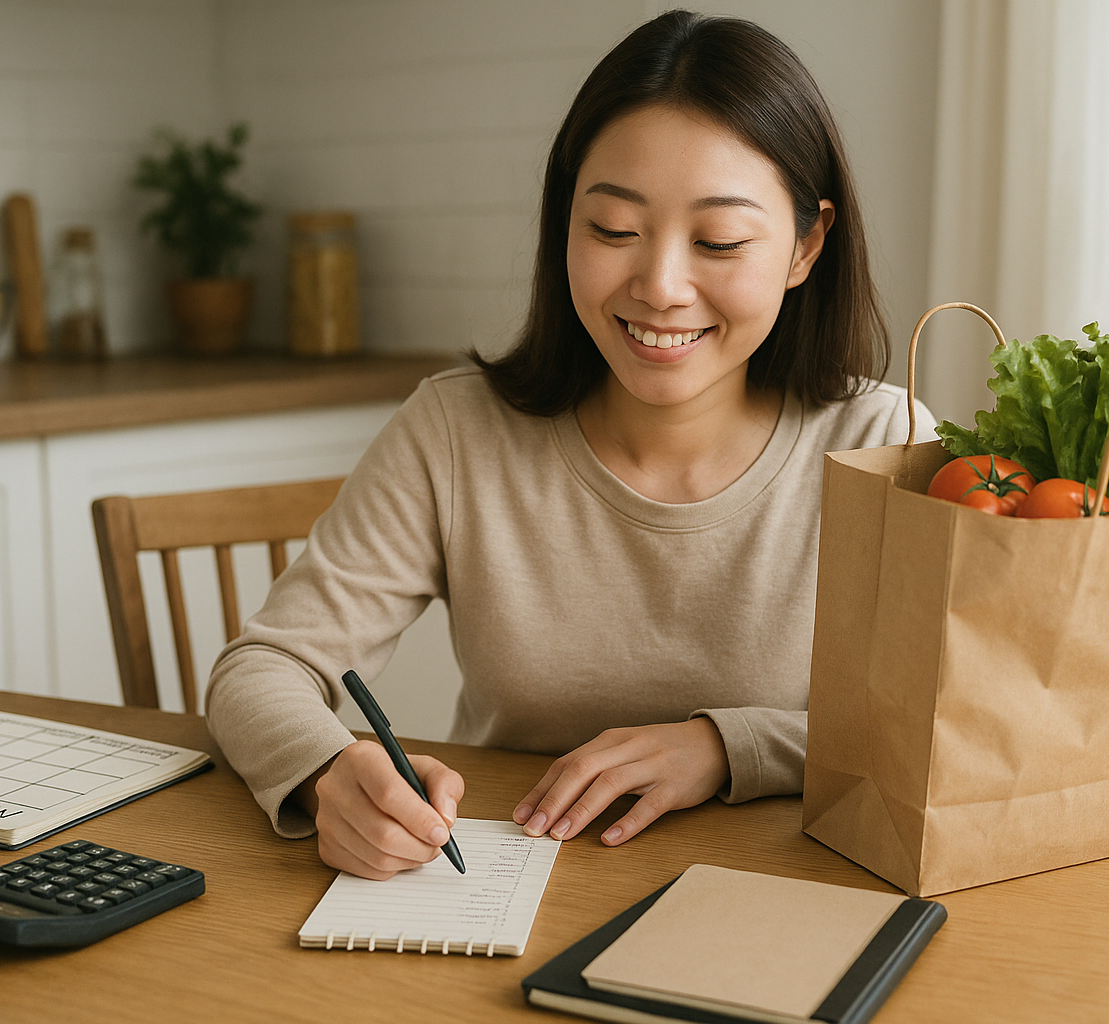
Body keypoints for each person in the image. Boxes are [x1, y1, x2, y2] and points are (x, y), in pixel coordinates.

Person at [206, 9, 934, 880]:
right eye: (613, 231)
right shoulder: (456, 431)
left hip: (788, 892)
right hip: (505, 886)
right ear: (564, 226)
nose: (660, 286)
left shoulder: (885, 441)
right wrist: (330, 773)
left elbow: (947, 724)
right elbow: (264, 667)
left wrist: (727, 747)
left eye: (720, 241)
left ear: (806, 246)